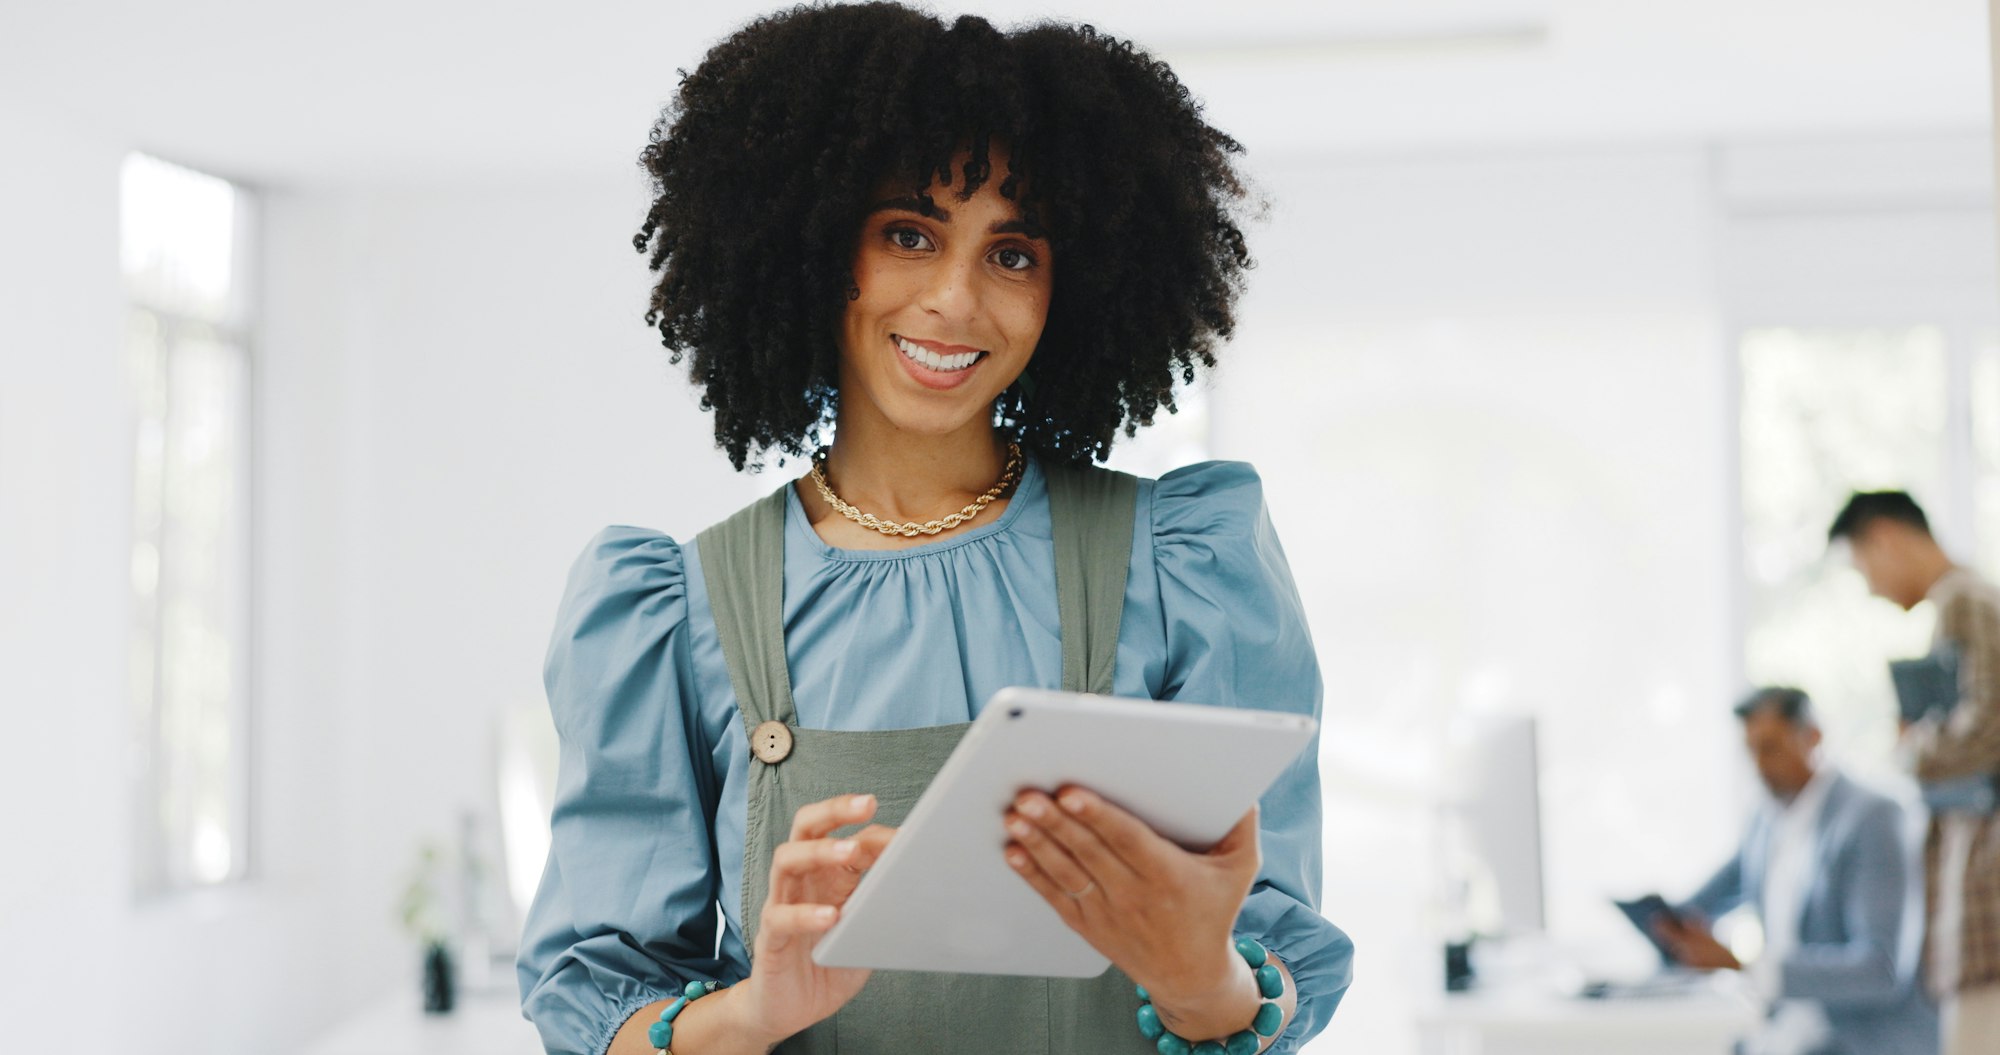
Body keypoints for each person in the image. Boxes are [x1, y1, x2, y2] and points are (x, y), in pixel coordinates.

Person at [514, 6, 1354, 1055]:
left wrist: (1199, 976)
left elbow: (1273, 975)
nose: (955, 300)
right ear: (816, 245)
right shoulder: (672, 610)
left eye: (1012, 253)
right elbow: (597, 1006)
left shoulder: (1184, 564)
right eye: (907, 233)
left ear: (1072, 284)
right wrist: (754, 1008)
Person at [1659, 687, 1936, 1055]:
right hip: (1784, 1033)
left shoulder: (1872, 818)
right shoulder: (1765, 822)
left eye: (1770, 749)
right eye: (1751, 751)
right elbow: (1705, 903)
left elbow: (1881, 969)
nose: (1759, 766)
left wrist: (1745, 965)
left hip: (1858, 1040)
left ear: (1813, 737)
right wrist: (1661, 923)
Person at [1830, 490, 2000, 1054]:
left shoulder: (1963, 599)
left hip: (1985, 890)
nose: (1872, 588)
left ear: (1886, 537)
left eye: (1863, 568)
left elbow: (1986, 726)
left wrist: (1910, 749)